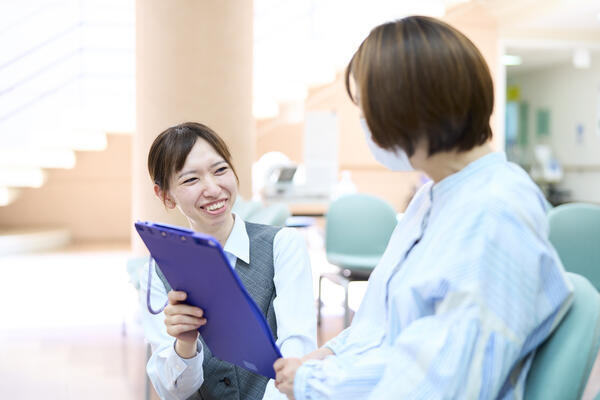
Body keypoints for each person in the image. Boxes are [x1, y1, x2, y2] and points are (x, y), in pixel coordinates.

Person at [273, 16, 573, 400]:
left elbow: (444, 382)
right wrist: (331, 354)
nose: (365, 124)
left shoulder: (496, 210)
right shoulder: (434, 196)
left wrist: (315, 385)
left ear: (408, 110)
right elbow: (385, 323)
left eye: (367, 109)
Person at [139, 122, 317, 400]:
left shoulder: (283, 245)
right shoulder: (157, 270)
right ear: (165, 195)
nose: (213, 188)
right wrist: (184, 345)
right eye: (190, 179)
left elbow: (297, 350)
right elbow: (172, 392)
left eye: (220, 170)